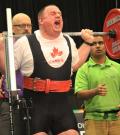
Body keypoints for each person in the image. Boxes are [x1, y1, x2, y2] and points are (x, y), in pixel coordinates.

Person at [0, 4, 94, 135]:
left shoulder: (68, 40)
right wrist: (1, 48)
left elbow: (74, 65)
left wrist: (88, 43)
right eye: (53, 13)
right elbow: (7, 71)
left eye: (60, 14)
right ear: (41, 20)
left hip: (62, 105)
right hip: (36, 105)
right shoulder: (25, 42)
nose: (58, 15)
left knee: (72, 133)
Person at [75, 34, 120, 135]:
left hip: (117, 119)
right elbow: (79, 94)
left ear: (106, 45)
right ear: (89, 47)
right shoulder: (83, 69)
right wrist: (95, 91)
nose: (98, 46)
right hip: (93, 120)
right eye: (93, 44)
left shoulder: (118, 68)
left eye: (100, 43)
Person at [0, 13, 32, 135]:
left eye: (29, 25)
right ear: (12, 28)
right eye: (22, 25)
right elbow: (5, 71)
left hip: (34, 101)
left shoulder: (36, 44)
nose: (26, 29)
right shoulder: (5, 44)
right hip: (11, 101)